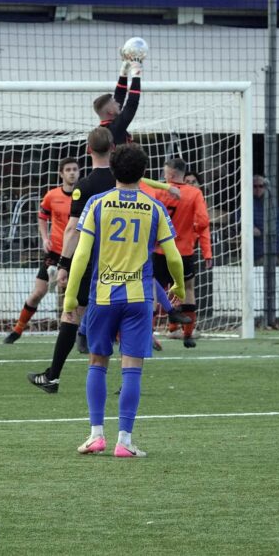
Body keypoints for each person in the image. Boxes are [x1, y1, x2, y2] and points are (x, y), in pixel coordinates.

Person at [26, 127, 180, 393]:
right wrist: (166, 185)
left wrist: (64, 264)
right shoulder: (126, 180)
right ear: (113, 149)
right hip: (131, 269)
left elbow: (73, 230)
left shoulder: (86, 187)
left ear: (88, 150)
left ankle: (53, 376)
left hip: (94, 267)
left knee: (71, 315)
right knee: (125, 317)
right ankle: (126, 381)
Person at [66, 143, 185, 458]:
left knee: (97, 362)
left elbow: (81, 255)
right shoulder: (154, 207)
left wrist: (69, 296)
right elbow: (173, 256)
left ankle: (95, 436)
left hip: (103, 296)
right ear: (144, 173)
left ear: (113, 171)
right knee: (132, 368)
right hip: (138, 298)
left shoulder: (97, 203)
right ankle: (125, 441)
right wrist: (180, 288)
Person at [4, 157, 79, 344]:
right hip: (54, 252)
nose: (72, 173)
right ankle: (18, 329)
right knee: (38, 293)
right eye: (68, 169)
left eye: (75, 169)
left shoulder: (83, 195)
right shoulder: (51, 196)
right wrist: (45, 238)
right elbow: (42, 216)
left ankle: (81, 335)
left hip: (77, 253)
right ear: (61, 173)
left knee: (76, 296)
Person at [151, 158, 213, 348]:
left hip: (160, 251)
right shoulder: (194, 193)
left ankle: (148, 334)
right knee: (188, 290)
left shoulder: (158, 191)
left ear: (169, 174)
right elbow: (203, 222)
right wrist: (204, 249)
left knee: (153, 291)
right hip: (184, 251)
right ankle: (188, 335)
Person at [93, 54, 143, 146]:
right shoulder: (114, 129)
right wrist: (136, 73)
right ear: (110, 112)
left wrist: (124, 71)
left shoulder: (106, 127)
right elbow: (131, 105)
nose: (118, 103)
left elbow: (119, 94)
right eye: (114, 103)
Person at [252, 175, 279, 264]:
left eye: (261, 186)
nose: (258, 189)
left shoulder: (273, 204)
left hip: (274, 248)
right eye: (255, 186)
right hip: (257, 249)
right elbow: (238, 221)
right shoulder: (246, 203)